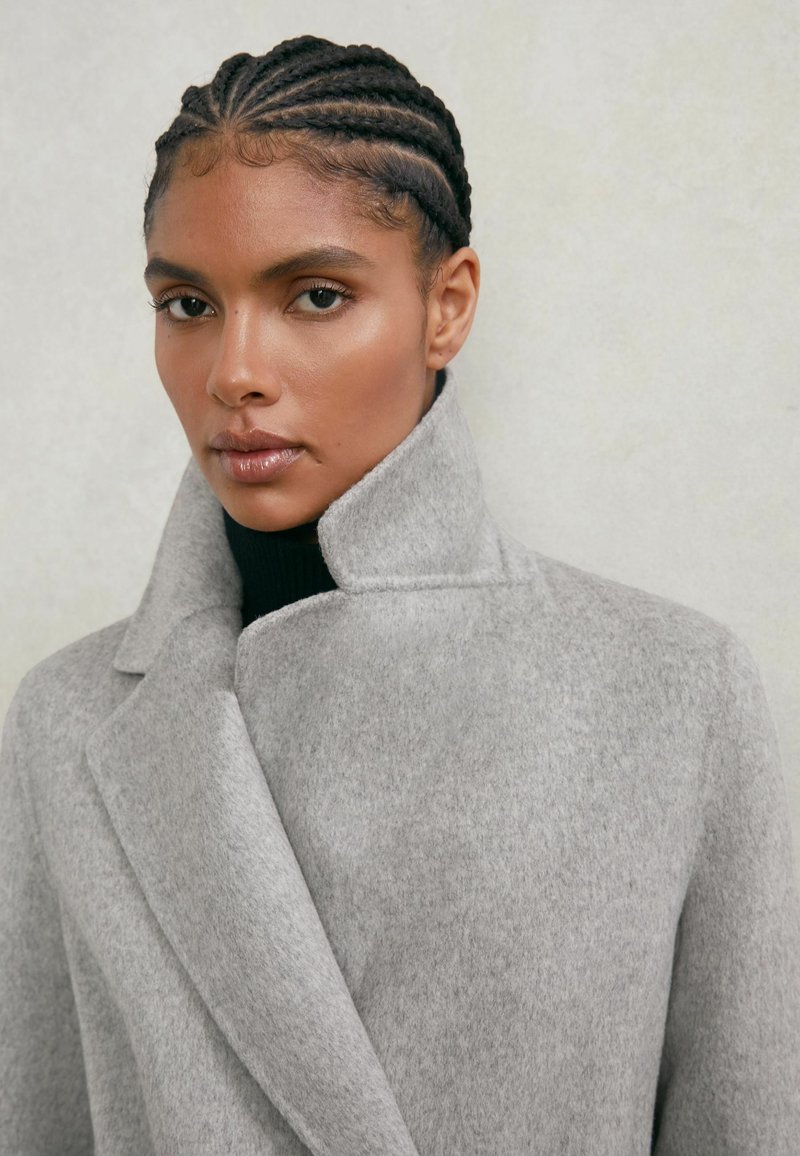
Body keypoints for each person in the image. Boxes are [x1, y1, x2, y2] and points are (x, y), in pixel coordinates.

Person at [1, 32, 798, 1156]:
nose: (234, 371)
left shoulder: (672, 692)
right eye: (186, 305)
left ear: (446, 305)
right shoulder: (68, 720)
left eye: (315, 295)